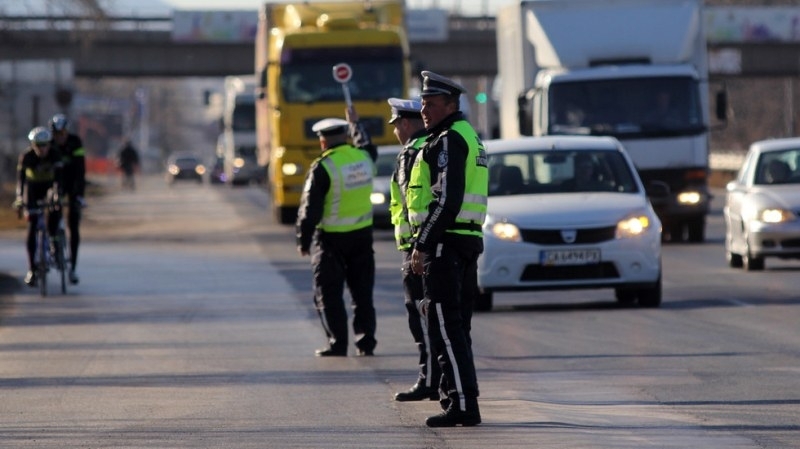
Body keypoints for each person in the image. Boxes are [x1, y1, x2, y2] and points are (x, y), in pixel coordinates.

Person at [408, 71, 488, 427]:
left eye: (431, 103)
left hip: (447, 242)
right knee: (456, 327)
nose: (424, 110)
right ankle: (458, 398)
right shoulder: (468, 135)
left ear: (451, 104)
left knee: (445, 327)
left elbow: (446, 200)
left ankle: (463, 404)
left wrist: (422, 244)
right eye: (423, 103)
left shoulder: (447, 140)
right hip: (465, 240)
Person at [295, 108, 378, 357]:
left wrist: (303, 239)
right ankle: (365, 343)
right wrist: (356, 124)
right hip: (362, 236)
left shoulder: (323, 167)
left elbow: (310, 208)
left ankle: (338, 343)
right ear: (345, 137)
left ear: (322, 140)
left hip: (331, 241)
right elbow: (366, 143)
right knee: (362, 294)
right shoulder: (365, 158)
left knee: (329, 294)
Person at [385, 97, 441, 402]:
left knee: (422, 315)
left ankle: (430, 379)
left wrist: (416, 246)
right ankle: (440, 379)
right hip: (429, 244)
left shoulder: (411, 153)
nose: (394, 132)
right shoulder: (433, 146)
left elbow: (411, 204)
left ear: (405, 124)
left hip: (418, 248)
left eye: (395, 126)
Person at [14, 127, 64, 287]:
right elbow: (21, 181)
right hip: (33, 190)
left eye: (44, 145)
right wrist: (19, 199)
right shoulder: (27, 157)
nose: (41, 149)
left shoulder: (55, 154)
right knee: (32, 225)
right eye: (37, 145)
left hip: (50, 188)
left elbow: (59, 179)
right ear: (32, 145)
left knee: (55, 211)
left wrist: (57, 195)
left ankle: (55, 243)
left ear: (49, 144)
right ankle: (32, 269)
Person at [50, 113, 86, 284]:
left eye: (62, 134)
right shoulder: (48, 144)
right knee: (52, 213)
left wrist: (79, 195)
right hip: (55, 183)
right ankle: (53, 243)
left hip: (73, 182)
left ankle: (72, 267)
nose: (60, 138)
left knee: (73, 223)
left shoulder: (75, 142)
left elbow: (80, 170)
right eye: (57, 135)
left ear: (67, 132)